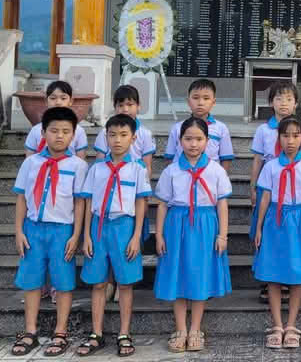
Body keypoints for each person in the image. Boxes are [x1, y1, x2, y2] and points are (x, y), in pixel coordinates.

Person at [8, 107, 89, 357]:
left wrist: (76, 235)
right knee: (32, 282)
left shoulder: (78, 166)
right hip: (33, 230)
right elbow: (21, 198)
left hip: (62, 231)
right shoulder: (31, 163)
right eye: (54, 131)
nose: (59, 136)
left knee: (64, 283)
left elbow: (80, 203)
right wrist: (19, 231)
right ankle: (30, 331)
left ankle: (60, 332)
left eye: (66, 132)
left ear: (74, 135)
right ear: (43, 133)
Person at [154, 117, 233, 353]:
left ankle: (196, 328)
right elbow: (161, 205)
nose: (193, 144)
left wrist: (223, 235)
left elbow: (222, 204)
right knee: (178, 275)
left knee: (199, 276)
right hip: (176, 225)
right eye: (188, 139)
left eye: (199, 139)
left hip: (205, 225)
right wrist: (159, 235)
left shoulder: (215, 170)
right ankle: (180, 328)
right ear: (180, 141)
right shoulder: (171, 171)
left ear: (207, 141)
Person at [76, 114, 153, 357]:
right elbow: (88, 203)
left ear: (133, 138)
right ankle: (96, 333)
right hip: (99, 228)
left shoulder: (137, 169)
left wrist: (136, 236)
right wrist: (86, 235)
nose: (117, 140)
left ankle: (124, 333)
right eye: (112, 135)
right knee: (98, 283)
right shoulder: (96, 169)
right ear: (105, 137)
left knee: (125, 283)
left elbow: (142, 203)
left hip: (124, 227)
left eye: (123, 135)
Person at [252, 116, 301, 349]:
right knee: (273, 273)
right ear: (278, 138)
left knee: (297, 272)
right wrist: (259, 226)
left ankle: (291, 324)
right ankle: (277, 324)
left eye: (296, 135)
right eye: (285, 135)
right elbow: (265, 197)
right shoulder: (271, 166)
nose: (290, 140)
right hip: (275, 220)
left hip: (299, 220)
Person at [249, 81, 301, 302]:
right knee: (267, 236)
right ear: (270, 103)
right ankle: (268, 280)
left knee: (289, 241)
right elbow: (258, 159)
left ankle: (287, 279)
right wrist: (253, 185)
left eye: (288, 99)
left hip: (292, 193)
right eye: (278, 99)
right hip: (270, 188)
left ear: (296, 103)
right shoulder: (264, 130)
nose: (283, 104)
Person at [94, 84, 156, 299]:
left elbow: (148, 164)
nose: (125, 108)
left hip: (134, 190)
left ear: (138, 106)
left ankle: (124, 283)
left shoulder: (144, 133)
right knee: (108, 244)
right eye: (121, 104)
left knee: (131, 238)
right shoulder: (106, 132)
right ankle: (109, 280)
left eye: (130, 104)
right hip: (109, 192)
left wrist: (142, 187)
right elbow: (101, 161)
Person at [164, 79, 236, 173]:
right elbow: (170, 157)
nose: (200, 103)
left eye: (206, 98)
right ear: (188, 101)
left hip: (210, 177)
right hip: (182, 176)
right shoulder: (177, 128)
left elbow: (226, 158)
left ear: (213, 102)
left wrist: (221, 179)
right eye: (195, 97)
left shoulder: (221, 128)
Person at [23, 80, 89, 159]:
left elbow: (81, 160)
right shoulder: (35, 130)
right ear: (46, 101)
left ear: (71, 101)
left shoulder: (79, 131)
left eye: (63, 98)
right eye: (53, 98)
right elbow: (29, 159)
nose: (58, 102)